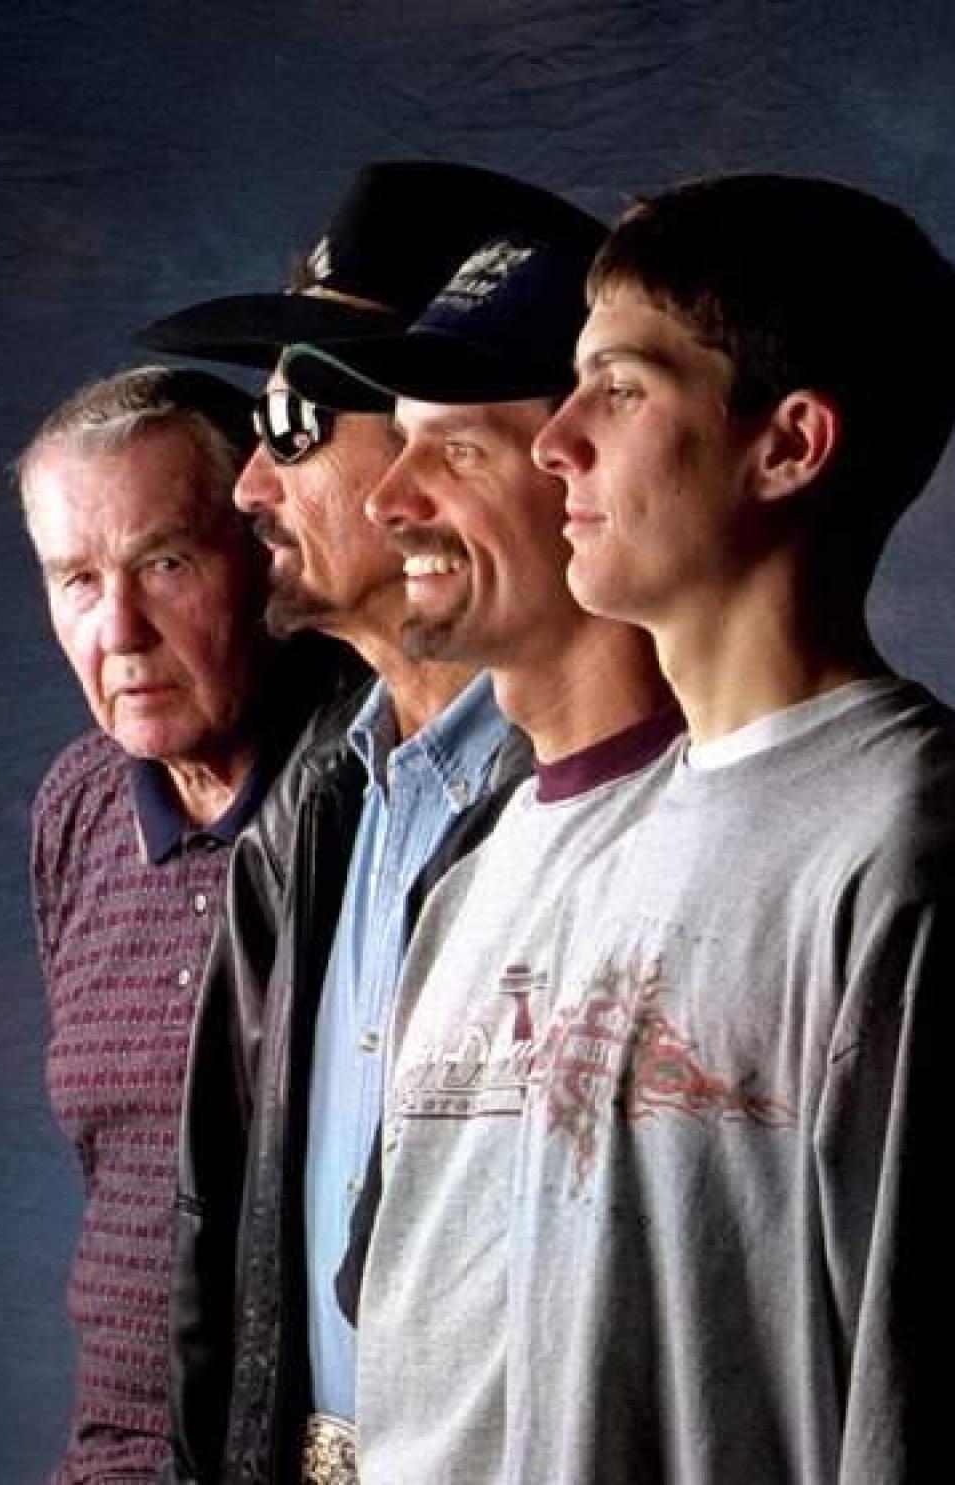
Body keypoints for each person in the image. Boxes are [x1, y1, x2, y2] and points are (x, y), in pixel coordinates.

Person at [406, 171, 955, 1483]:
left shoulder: (915, 854)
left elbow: (939, 1399)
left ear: (789, 445)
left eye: (620, 389)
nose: (555, 440)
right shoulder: (576, 848)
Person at [137, 163, 607, 1484]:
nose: (247, 489)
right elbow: (221, 1247)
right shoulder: (308, 803)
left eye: (292, 424)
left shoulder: (602, 805)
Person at [282, 226, 680, 1485]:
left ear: (583, 466)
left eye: (455, 448)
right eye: (396, 442)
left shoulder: (735, 850)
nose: (388, 499)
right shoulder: (468, 876)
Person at [19, 366, 331, 1484]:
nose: (120, 630)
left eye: (165, 564)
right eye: (76, 580)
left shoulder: (364, 789)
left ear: (260, 555)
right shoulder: (78, 805)